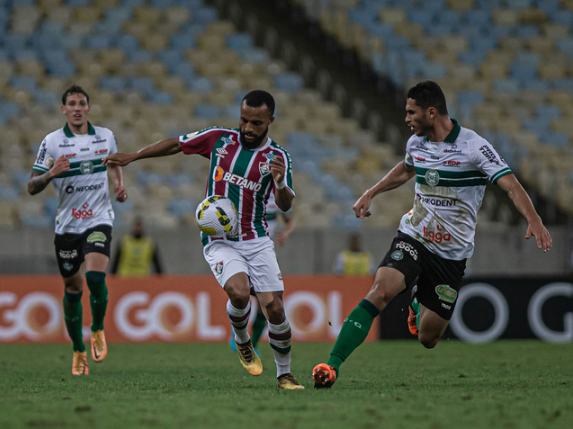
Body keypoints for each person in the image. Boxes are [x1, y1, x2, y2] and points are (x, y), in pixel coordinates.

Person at [312, 80, 552, 389]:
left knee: (428, 338)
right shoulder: (416, 143)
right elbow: (406, 169)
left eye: (411, 112)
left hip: (452, 254)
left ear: (432, 112)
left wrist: (533, 219)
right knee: (381, 291)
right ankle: (332, 366)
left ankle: (416, 302)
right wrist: (372, 192)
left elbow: (509, 184)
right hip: (414, 236)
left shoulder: (473, 147)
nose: (406, 118)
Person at [103, 89, 304, 390]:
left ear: (270, 121)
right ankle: (242, 339)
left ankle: (284, 374)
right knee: (239, 293)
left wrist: (278, 183)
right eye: (244, 120)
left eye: (256, 123)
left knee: (274, 309)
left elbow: (286, 204)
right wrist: (134, 156)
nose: (248, 128)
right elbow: (176, 144)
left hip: (257, 238)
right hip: (219, 238)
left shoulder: (278, 158)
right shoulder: (220, 140)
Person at [28, 84, 128, 376]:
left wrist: (119, 184)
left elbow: (113, 163)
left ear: (88, 108)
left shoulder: (105, 136)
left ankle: (96, 328)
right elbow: (32, 186)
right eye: (71, 103)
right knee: (73, 288)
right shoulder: (52, 142)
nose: (76, 108)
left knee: (96, 277)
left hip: (99, 218)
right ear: (63, 109)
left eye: (81, 103)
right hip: (67, 226)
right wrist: (51, 173)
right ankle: (78, 349)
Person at [229, 191, 296, 352]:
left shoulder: (277, 197)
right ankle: (238, 334)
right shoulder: (249, 192)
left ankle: (252, 343)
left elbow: (290, 221)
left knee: (265, 301)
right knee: (244, 292)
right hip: (245, 252)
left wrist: (286, 233)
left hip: (263, 255)